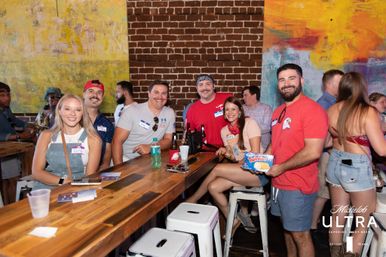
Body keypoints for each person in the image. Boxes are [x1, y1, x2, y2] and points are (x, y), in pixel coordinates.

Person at [266, 63, 328, 257]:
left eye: (291, 78)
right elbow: (274, 145)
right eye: (282, 80)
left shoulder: (312, 110)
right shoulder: (278, 112)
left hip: (298, 185)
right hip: (278, 183)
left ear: (301, 81)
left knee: (300, 234)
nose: (286, 84)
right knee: (287, 229)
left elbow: (313, 151)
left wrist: (281, 167)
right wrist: (261, 160)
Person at [187, 96, 268, 232]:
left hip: (257, 171)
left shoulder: (250, 123)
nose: (230, 112)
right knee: (213, 187)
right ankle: (233, 220)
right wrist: (226, 152)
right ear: (224, 113)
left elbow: (255, 154)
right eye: (227, 110)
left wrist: (239, 161)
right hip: (242, 171)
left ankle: (194, 198)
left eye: (233, 109)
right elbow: (236, 157)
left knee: (216, 168)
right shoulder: (224, 131)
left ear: (240, 111)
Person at [326, 72, 386, 257]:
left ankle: (336, 254)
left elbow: (330, 140)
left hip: (335, 161)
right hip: (356, 167)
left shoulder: (332, 109)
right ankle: (351, 253)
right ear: (362, 88)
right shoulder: (367, 111)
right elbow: (382, 150)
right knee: (362, 221)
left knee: (338, 215)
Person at [32, 94, 101, 189]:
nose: (72, 113)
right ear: (59, 111)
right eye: (67, 109)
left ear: (83, 113)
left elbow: (89, 177)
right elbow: (36, 172)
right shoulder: (46, 136)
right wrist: (62, 181)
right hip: (47, 187)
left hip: (77, 187)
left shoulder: (93, 139)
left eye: (78, 110)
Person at [311, 70, 344, 239]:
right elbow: (323, 137)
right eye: (340, 82)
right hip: (327, 154)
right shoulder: (325, 104)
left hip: (332, 153)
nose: (343, 85)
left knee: (327, 193)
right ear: (329, 84)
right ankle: (313, 227)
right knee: (323, 193)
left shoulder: (333, 102)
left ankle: (317, 225)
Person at [112, 80, 175, 163]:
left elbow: (168, 140)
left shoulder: (170, 113)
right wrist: (119, 169)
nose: (160, 96)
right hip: (126, 160)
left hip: (151, 160)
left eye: (164, 93)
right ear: (149, 94)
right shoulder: (132, 111)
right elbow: (116, 141)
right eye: (156, 92)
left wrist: (151, 147)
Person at [0, 82, 35, 203]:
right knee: (10, 180)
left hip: (12, 150)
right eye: (2, 95)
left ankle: (11, 205)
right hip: (4, 151)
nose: (7, 98)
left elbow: (14, 120)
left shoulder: (5, 109)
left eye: (8, 95)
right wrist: (19, 136)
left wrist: (28, 125)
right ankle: (11, 207)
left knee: (11, 180)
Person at [186, 74, 232, 149]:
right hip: (205, 152)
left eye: (208, 84)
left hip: (230, 149)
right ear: (196, 88)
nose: (204, 88)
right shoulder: (192, 110)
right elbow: (190, 134)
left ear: (214, 86)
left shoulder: (227, 99)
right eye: (200, 85)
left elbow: (240, 120)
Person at [83, 80, 114, 170]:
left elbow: (107, 154)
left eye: (99, 92)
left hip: (96, 171)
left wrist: (102, 171)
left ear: (102, 97)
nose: (95, 95)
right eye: (91, 91)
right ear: (84, 94)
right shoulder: (73, 119)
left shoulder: (107, 124)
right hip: (74, 171)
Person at [242, 85, 272, 152]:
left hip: (263, 147)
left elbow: (267, 128)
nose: (243, 98)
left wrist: (250, 129)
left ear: (254, 95)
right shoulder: (242, 108)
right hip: (245, 147)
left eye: (245, 95)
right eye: (243, 96)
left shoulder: (266, 108)